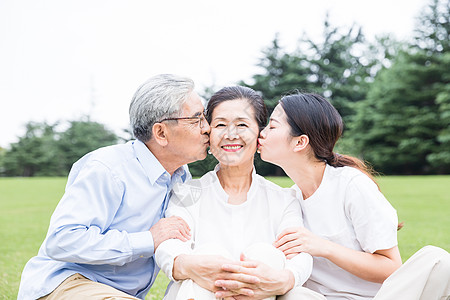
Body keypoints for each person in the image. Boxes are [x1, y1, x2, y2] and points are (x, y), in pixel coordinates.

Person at [18, 74, 211, 300]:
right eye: (196, 119)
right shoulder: (108, 169)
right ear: (161, 133)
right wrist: (148, 239)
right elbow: (62, 240)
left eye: (204, 117)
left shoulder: (180, 175)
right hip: (70, 282)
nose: (207, 127)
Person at [253, 92, 450, 300]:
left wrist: (323, 247)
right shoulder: (288, 200)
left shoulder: (351, 185)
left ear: (300, 142)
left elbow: (391, 267)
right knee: (292, 295)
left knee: (436, 259)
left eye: (272, 126)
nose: (261, 133)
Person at [155, 86, 321, 300]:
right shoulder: (188, 193)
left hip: (264, 294)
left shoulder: (283, 198)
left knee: (282, 274)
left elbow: (298, 254)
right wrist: (194, 266)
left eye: (242, 124)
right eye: (221, 125)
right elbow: (170, 245)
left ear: (260, 134)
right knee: (205, 259)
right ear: (208, 133)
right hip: (203, 292)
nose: (230, 135)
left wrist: (285, 279)